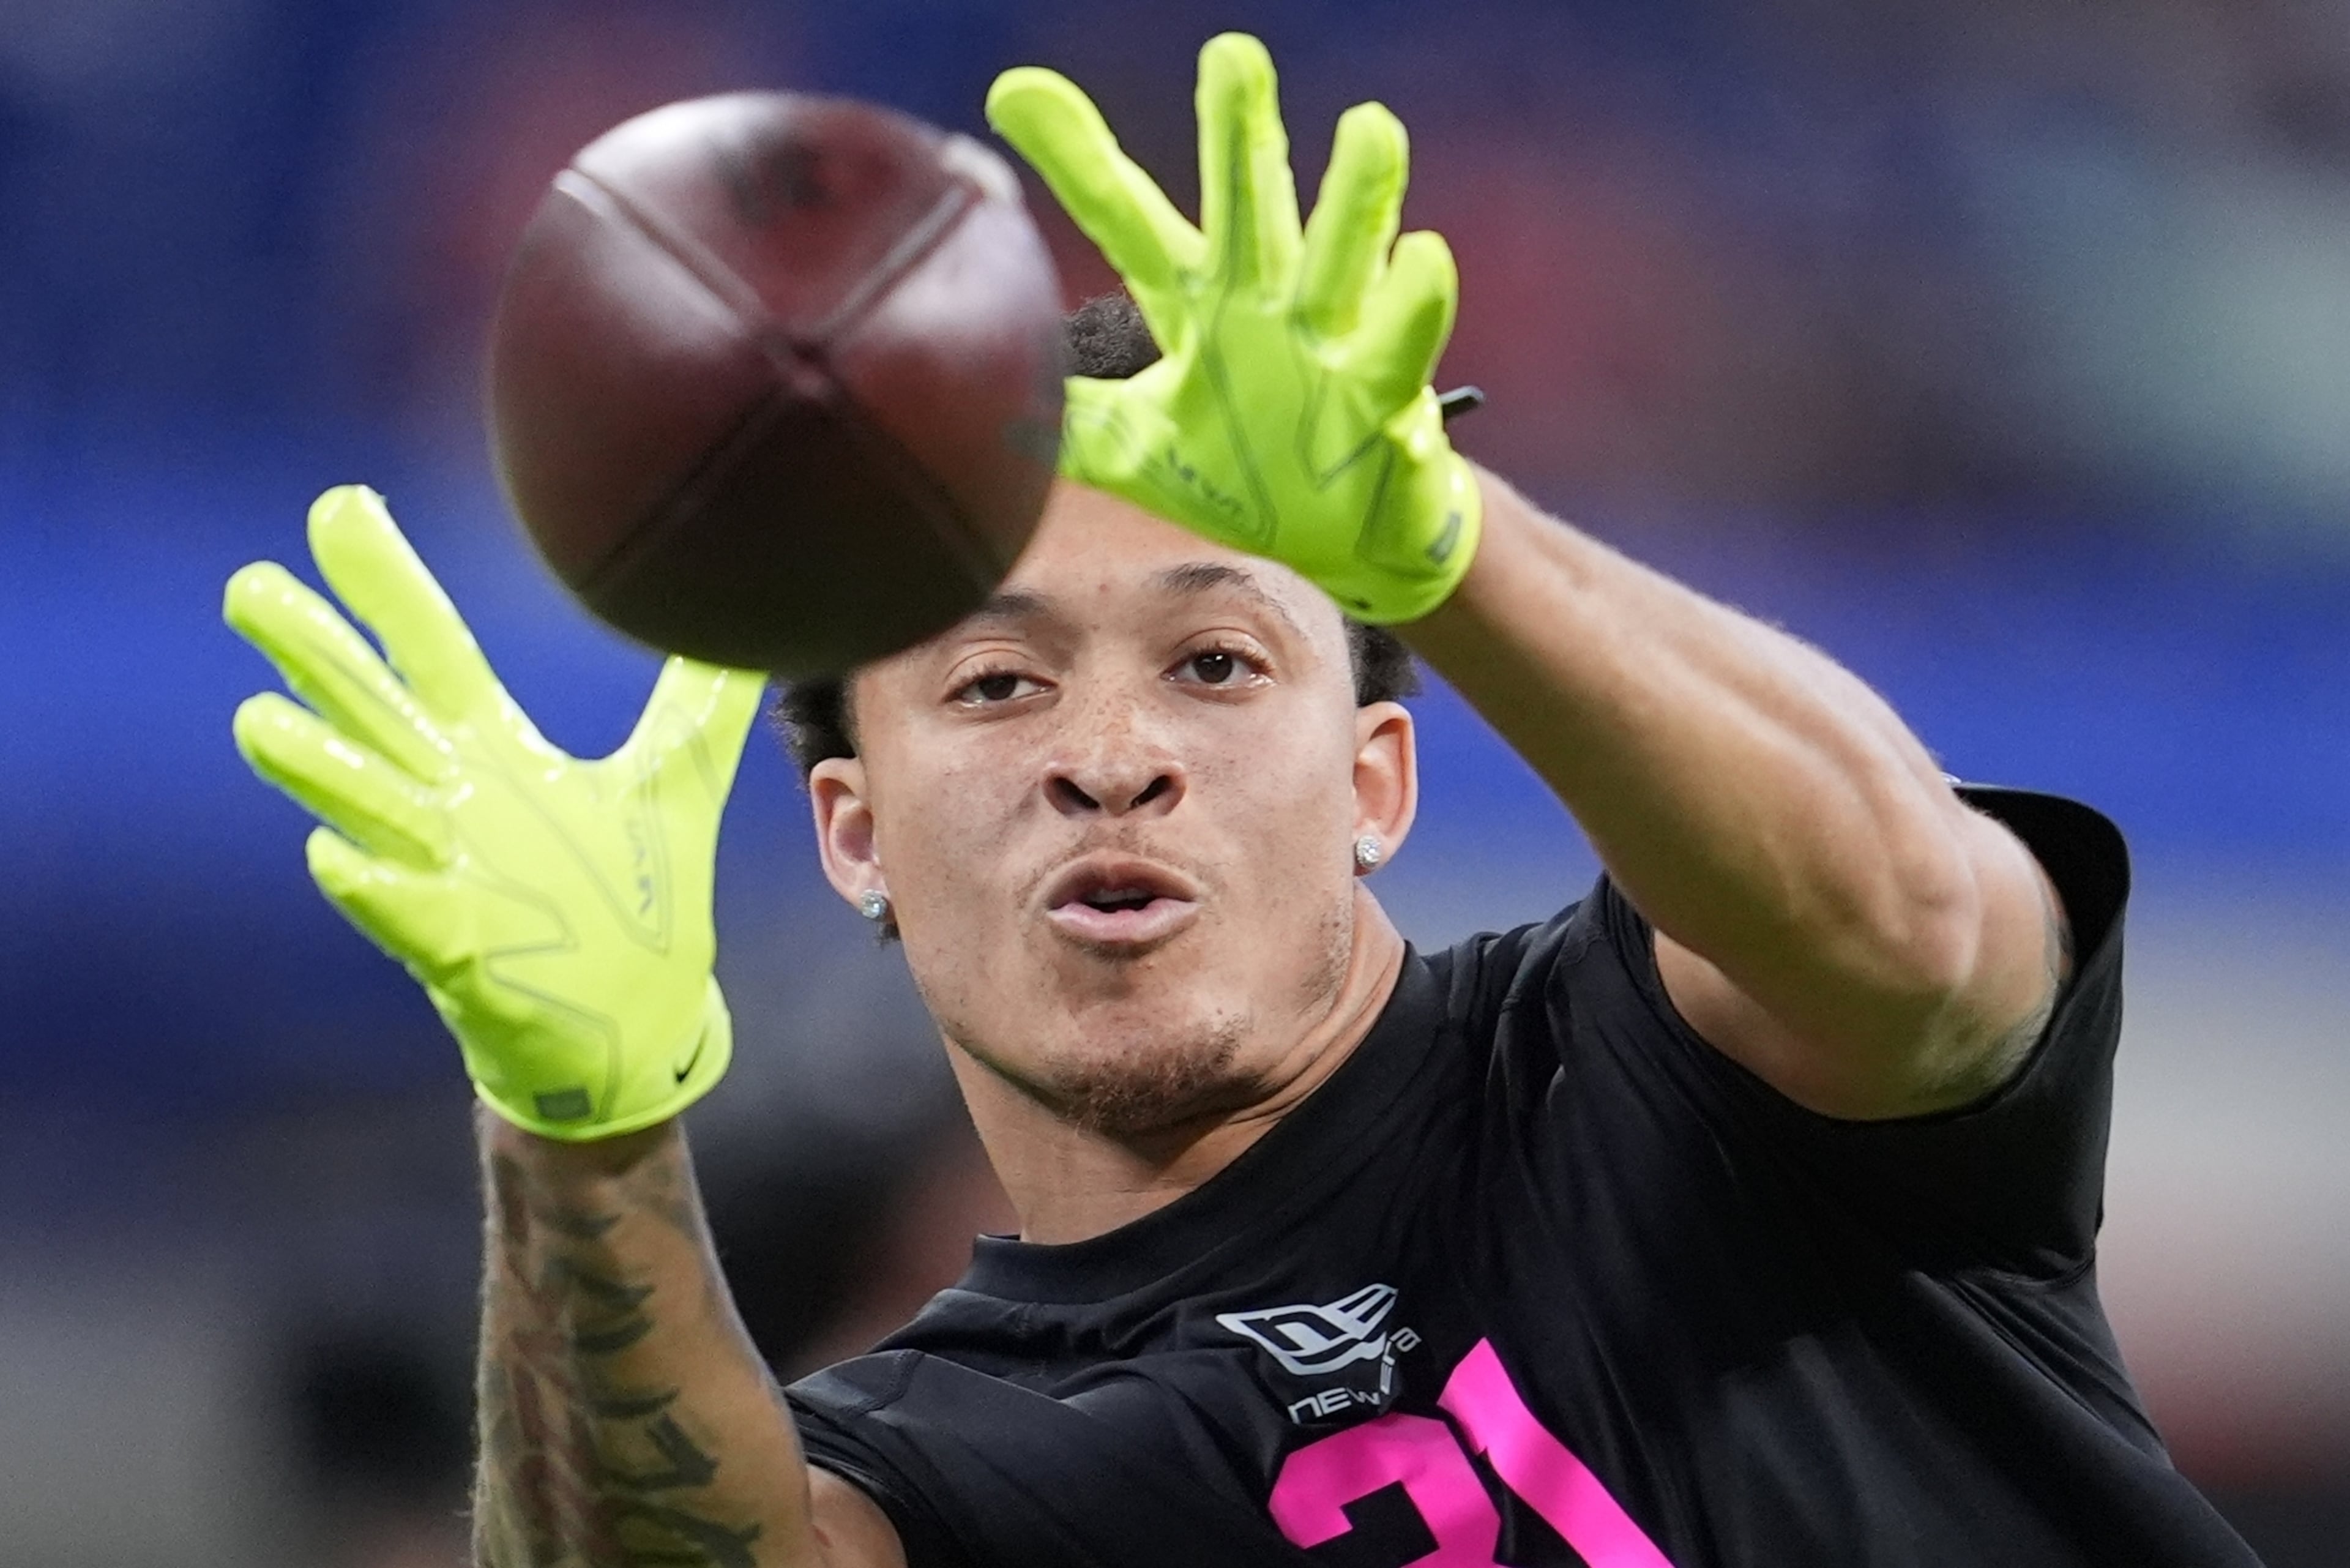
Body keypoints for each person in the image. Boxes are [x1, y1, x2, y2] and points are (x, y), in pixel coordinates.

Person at [224, 32, 2263, 1568]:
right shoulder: (950, 1452)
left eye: (1216, 662)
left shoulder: (1644, 1072)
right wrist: (578, 1136)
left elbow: (1922, 930)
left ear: (1379, 777)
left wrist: (1445, 545)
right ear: (852, 831)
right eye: (998, 682)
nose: (1111, 752)